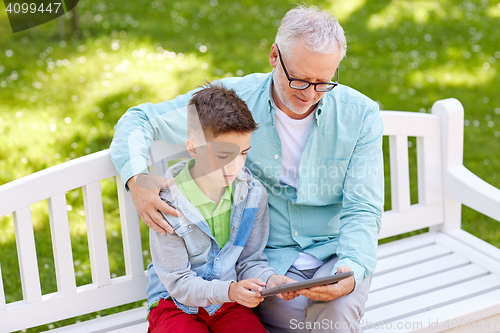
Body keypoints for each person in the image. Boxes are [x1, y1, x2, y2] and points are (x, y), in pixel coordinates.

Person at [110, 5, 383, 333]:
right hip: (265, 267)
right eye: (298, 79)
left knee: (334, 323)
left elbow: (363, 209)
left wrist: (351, 270)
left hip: (334, 256)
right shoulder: (231, 105)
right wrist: (136, 179)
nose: (310, 94)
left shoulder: (361, 115)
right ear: (274, 56)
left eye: (323, 82)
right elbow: (139, 120)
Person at [146, 83, 295, 332]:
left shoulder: (251, 193)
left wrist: (271, 279)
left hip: (228, 302)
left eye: (244, 153)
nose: (235, 166)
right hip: (176, 305)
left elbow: (250, 260)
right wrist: (229, 290)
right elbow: (179, 283)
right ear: (193, 148)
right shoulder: (167, 204)